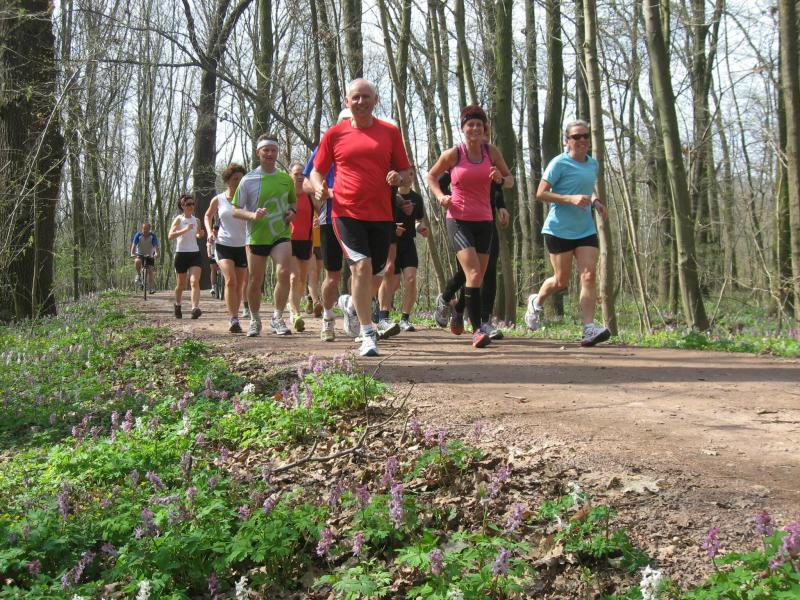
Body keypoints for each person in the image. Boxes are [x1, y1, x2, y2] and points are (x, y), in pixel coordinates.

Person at [309, 79, 413, 357]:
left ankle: (351, 305)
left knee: (377, 274)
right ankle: (368, 334)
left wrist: (399, 177)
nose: (361, 102)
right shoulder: (334, 134)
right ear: (347, 101)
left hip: (381, 214)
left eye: (366, 97)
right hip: (345, 212)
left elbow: (406, 173)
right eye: (355, 97)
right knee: (361, 267)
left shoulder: (390, 133)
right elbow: (316, 171)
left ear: (375, 100)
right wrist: (319, 186)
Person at [427, 105, 514, 349]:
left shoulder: (491, 152)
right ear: (463, 129)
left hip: (485, 221)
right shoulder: (454, 154)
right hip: (458, 219)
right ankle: (477, 330)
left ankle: (457, 308)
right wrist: (440, 196)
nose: (474, 128)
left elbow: (510, 180)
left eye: (478, 124)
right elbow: (431, 176)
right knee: (474, 273)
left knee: (477, 276)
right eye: (470, 125)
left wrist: (500, 179)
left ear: (484, 128)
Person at [523, 119, 611, 347]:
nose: (582, 140)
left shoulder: (593, 164)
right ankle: (536, 301)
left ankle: (588, 328)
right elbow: (540, 193)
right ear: (567, 141)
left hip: (585, 229)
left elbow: (586, 187)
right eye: (576, 137)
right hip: (558, 229)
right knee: (561, 280)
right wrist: (570, 199)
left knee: (589, 275)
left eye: (585, 136)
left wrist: (596, 201)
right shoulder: (559, 163)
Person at [232, 133, 297, 337]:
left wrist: (292, 212)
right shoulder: (248, 180)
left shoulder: (285, 179)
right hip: (257, 236)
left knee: (284, 272)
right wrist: (252, 215)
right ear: (258, 152)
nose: (270, 154)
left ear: (277, 152)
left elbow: (293, 202)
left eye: (273, 150)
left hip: (280, 233)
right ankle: (255, 319)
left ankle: (277, 317)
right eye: (266, 150)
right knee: (255, 280)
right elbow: (235, 210)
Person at [433, 177, 509, 339]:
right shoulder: (456, 161)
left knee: (488, 271)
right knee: (467, 273)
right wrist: (446, 197)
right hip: (463, 222)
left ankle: (484, 321)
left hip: (488, 222)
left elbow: (498, 184)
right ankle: (447, 298)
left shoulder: (490, 162)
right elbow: (439, 181)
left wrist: (501, 206)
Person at [302, 108, 350, 343]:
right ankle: (328, 317)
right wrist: (323, 190)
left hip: (362, 217)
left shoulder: (369, 146)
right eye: (345, 121)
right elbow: (305, 183)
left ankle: (354, 311)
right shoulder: (324, 147)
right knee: (333, 274)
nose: (350, 125)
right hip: (330, 217)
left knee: (365, 270)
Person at [204, 163, 248, 333]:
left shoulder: (248, 198)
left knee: (239, 285)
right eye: (235, 179)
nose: (238, 182)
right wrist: (210, 232)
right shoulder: (219, 199)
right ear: (227, 181)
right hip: (223, 244)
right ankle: (233, 319)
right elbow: (208, 215)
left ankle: (235, 314)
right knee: (230, 280)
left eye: (241, 179)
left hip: (243, 246)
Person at [377, 185, 428, 332]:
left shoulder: (417, 198)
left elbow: (418, 220)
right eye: (407, 174)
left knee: (411, 279)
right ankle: (383, 316)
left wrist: (421, 228)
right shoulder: (389, 195)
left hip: (408, 243)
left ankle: (405, 319)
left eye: (412, 174)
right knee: (392, 282)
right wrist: (394, 229)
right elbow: (381, 218)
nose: (409, 176)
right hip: (391, 242)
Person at [288, 161, 315, 333]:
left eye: (302, 174)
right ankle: (295, 313)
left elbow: (322, 210)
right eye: (296, 173)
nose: (300, 177)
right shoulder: (285, 195)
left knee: (302, 280)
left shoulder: (310, 195)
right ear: (290, 175)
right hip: (288, 240)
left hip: (306, 241)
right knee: (294, 277)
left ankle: (293, 306)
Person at [168, 194, 205, 319]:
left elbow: (197, 235)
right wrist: (185, 230)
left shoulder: (197, 220)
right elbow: (170, 236)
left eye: (193, 204)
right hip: (181, 254)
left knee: (194, 281)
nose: (191, 206)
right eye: (188, 204)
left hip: (194, 253)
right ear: (182, 206)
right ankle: (178, 305)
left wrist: (200, 234)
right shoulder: (179, 219)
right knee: (181, 285)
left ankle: (195, 308)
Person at [130, 222, 159, 294]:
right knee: (137, 261)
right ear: (142, 229)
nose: (145, 230)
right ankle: (139, 274)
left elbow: (156, 246)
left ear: (149, 229)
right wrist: (132, 253)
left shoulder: (153, 236)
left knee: (150, 270)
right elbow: (133, 245)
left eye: (147, 229)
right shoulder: (138, 235)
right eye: (144, 229)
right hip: (140, 254)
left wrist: (156, 253)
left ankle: (151, 288)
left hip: (150, 255)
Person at [208, 223, 220, 297]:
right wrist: (209, 254)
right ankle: (213, 287)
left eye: (216, 231)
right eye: (214, 231)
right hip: (213, 255)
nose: (215, 232)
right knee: (213, 269)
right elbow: (208, 246)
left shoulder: (222, 236)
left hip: (220, 255)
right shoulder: (211, 237)